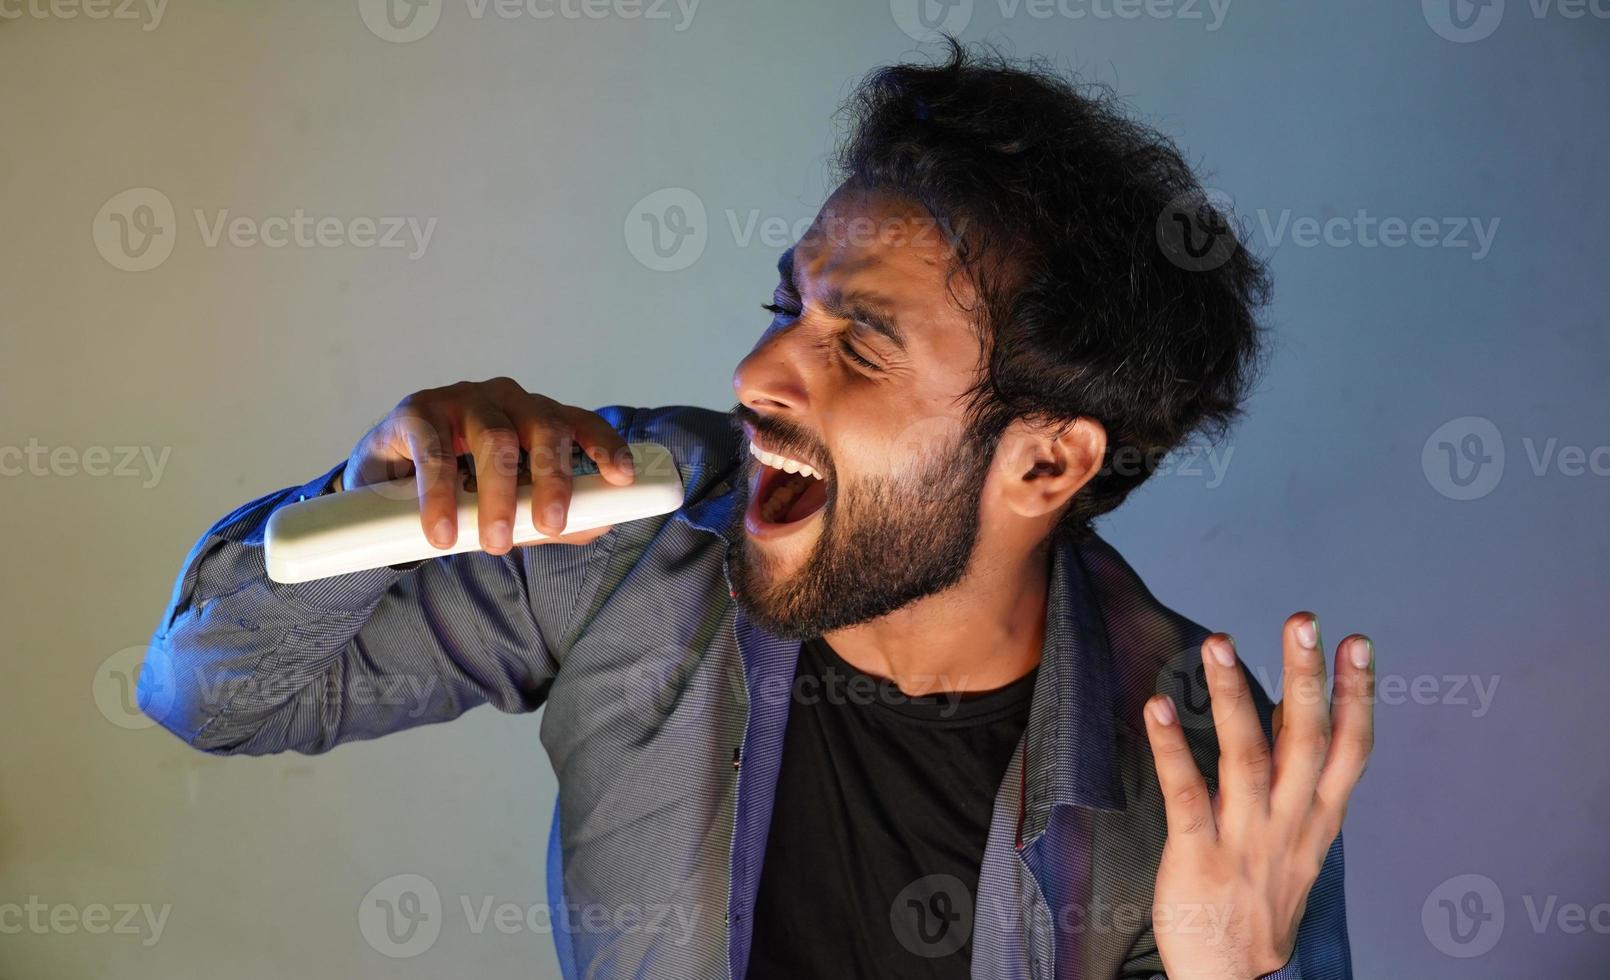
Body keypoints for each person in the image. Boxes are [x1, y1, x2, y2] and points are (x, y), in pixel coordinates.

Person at [142, 40, 1370, 980]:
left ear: (1044, 465)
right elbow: (213, 691)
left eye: (861, 342)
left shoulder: (1214, 779)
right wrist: (376, 501)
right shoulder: (626, 535)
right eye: (787, 306)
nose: (756, 373)